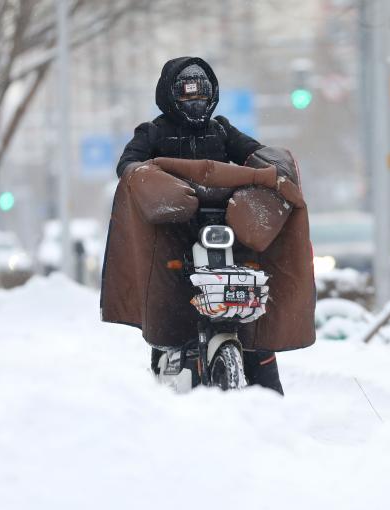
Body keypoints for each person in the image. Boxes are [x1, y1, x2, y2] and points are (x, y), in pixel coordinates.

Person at [101, 56, 316, 395]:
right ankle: (168, 350)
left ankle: (270, 395)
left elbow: (253, 154)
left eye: (201, 94)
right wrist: (147, 178)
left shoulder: (221, 129)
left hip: (225, 227)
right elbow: (128, 164)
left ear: (212, 94)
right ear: (171, 96)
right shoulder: (153, 132)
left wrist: (275, 167)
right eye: (186, 95)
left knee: (248, 293)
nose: (195, 102)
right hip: (174, 231)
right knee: (167, 290)